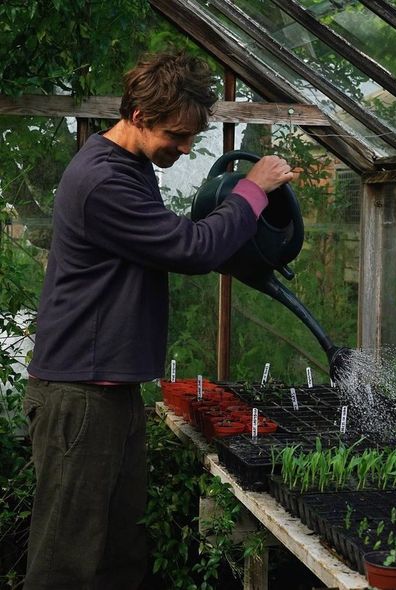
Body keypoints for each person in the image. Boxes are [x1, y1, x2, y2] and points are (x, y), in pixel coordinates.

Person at [22, 50, 295, 590]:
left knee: (119, 553)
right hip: (78, 395)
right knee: (65, 565)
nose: (185, 148)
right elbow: (189, 248)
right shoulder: (103, 180)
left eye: (193, 137)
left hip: (108, 391)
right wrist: (251, 191)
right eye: (176, 135)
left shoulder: (132, 165)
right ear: (140, 116)